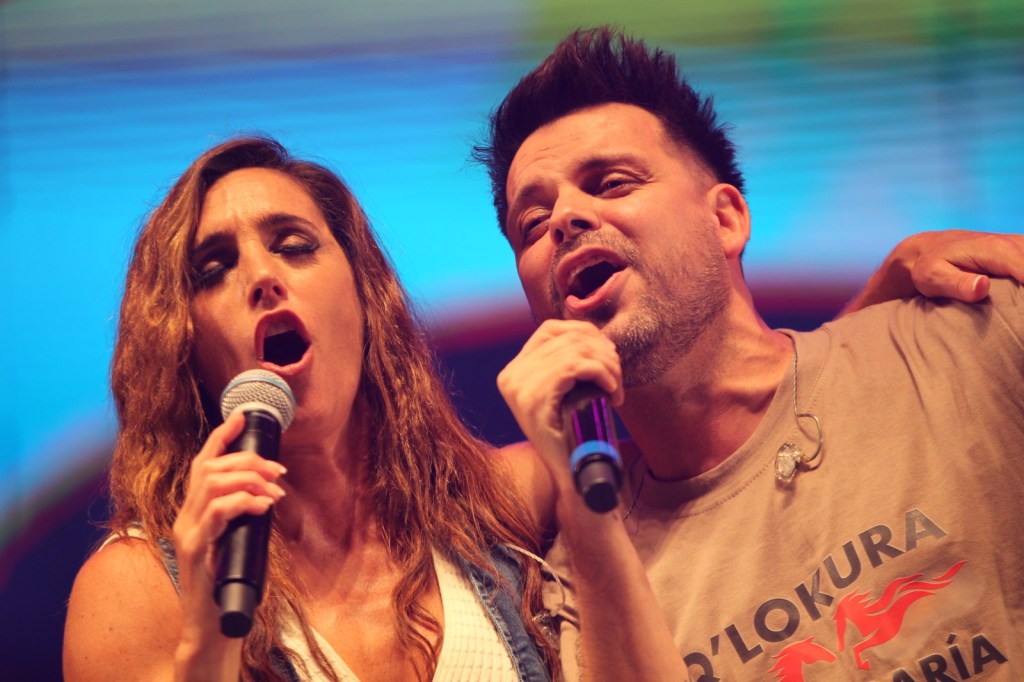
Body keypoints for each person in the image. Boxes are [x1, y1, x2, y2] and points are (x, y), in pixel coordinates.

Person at [475, 28, 1024, 680]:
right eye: (533, 225)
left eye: (612, 183)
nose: (566, 217)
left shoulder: (971, 337)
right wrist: (581, 498)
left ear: (726, 219)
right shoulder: (583, 584)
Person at [63, 136, 559, 681]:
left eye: (295, 246)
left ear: (366, 296)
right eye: (213, 269)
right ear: (184, 347)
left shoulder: (510, 498)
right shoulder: (132, 592)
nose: (261, 277)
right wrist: (209, 643)